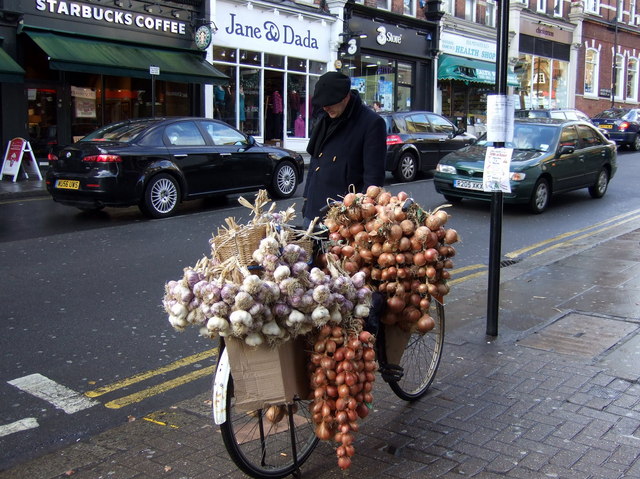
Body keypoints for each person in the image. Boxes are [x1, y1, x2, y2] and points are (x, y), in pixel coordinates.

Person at [303, 71, 386, 226]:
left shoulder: (371, 123)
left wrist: (362, 220)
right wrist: (307, 198)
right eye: (323, 104)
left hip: (344, 221)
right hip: (313, 212)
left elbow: (373, 180)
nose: (326, 108)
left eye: (330, 103)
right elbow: (315, 161)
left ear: (345, 97)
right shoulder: (324, 119)